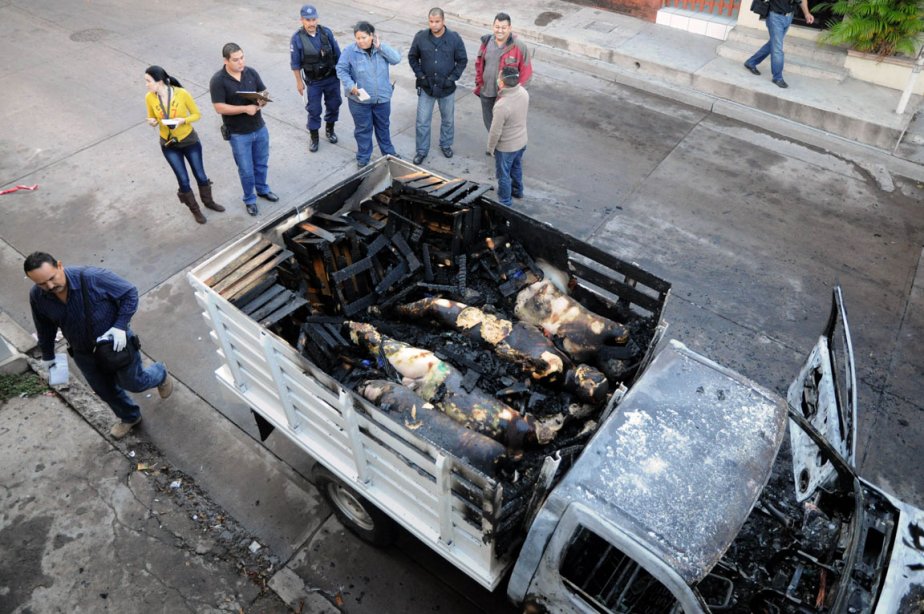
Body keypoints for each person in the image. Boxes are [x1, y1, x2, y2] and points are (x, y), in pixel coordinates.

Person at [24, 252, 174, 440]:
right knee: (105, 391)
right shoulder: (38, 296)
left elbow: (129, 293)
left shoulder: (92, 277)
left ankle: (160, 373)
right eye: (41, 284)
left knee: (134, 383)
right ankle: (130, 417)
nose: (50, 286)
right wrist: (48, 356)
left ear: (60, 265)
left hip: (115, 344)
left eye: (52, 278)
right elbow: (44, 327)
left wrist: (120, 326)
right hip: (82, 352)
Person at [144, 66, 225, 225]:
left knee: (200, 175)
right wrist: (152, 122)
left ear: (159, 81)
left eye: (148, 81)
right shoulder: (149, 97)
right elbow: (151, 117)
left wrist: (183, 120)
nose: (146, 84)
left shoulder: (182, 94)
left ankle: (208, 202)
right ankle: (195, 210)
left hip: (189, 140)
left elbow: (197, 114)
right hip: (168, 143)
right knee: (183, 180)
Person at [209, 43, 278, 216]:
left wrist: (262, 101)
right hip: (239, 134)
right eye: (236, 60)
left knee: (261, 164)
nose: (241, 62)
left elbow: (264, 92)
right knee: (246, 170)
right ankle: (250, 199)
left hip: (259, 128)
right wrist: (245, 109)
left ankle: (262, 190)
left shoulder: (251, 72)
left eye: (242, 58)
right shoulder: (218, 80)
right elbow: (219, 107)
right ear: (226, 61)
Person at [336, 21, 401, 168]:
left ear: (372, 36)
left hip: (382, 98)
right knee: (363, 129)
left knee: (383, 127)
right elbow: (341, 69)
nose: (361, 41)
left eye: (364, 37)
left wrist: (381, 47)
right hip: (359, 101)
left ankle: (388, 153)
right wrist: (350, 85)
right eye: (358, 38)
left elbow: (396, 59)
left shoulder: (381, 49)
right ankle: (363, 157)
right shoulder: (349, 52)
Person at [408, 7, 468, 165]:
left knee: (447, 120)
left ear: (443, 21)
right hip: (426, 88)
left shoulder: (454, 39)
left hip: (446, 89)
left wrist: (452, 78)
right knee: (422, 121)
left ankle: (446, 144)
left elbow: (462, 60)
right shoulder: (420, 37)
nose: (434, 25)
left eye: (437, 21)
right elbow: (412, 57)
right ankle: (421, 151)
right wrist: (420, 75)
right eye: (431, 21)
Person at [290, 4, 342, 153]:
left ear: (317, 19)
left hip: (332, 78)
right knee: (314, 110)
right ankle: (314, 137)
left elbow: (338, 55)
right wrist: (299, 82)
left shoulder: (326, 33)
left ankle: (330, 129)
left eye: (313, 19)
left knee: (334, 104)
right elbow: (295, 64)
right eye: (308, 20)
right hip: (314, 82)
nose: (311, 23)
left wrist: (345, 75)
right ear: (302, 20)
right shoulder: (297, 39)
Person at [474, 12, 532, 132]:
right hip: (487, 92)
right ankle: (494, 146)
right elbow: (479, 64)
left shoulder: (519, 47)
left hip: (506, 97)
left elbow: (526, 74)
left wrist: (516, 94)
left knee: (505, 128)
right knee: (490, 124)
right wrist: (479, 83)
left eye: (503, 28)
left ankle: (501, 149)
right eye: (497, 27)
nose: (500, 30)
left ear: (509, 28)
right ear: (493, 26)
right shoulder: (486, 43)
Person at [743, 0, 814, 88]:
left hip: (789, 16)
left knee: (773, 44)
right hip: (775, 17)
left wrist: (807, 14)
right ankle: (777, 77)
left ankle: (751, 62)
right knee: (777, 49)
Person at [486, 66, 529, 207]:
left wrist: (490, 148)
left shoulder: (502, 105)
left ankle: (505, 201)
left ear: (502, 83)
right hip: (521, 141)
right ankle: (518, 190)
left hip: (506, 147)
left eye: (499, 77)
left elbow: (495, 131)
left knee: (503, 174)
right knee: (516, 167)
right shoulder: (523, 93)